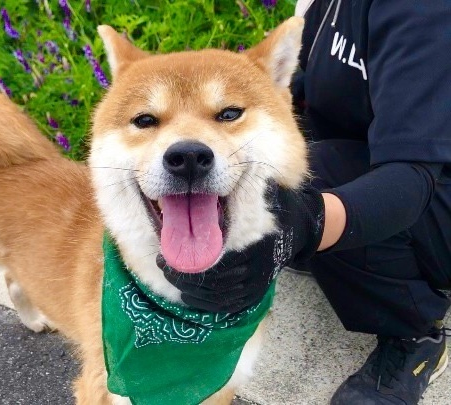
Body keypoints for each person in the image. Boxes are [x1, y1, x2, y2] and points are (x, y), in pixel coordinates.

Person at [157, 1, 451, 403]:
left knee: (313, 179)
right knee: (280, 156)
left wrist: (303, 226)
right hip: (371, 156)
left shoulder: (425, 12)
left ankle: (414, 335)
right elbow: (301, 89)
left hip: (431, 185)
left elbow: (412, 180)